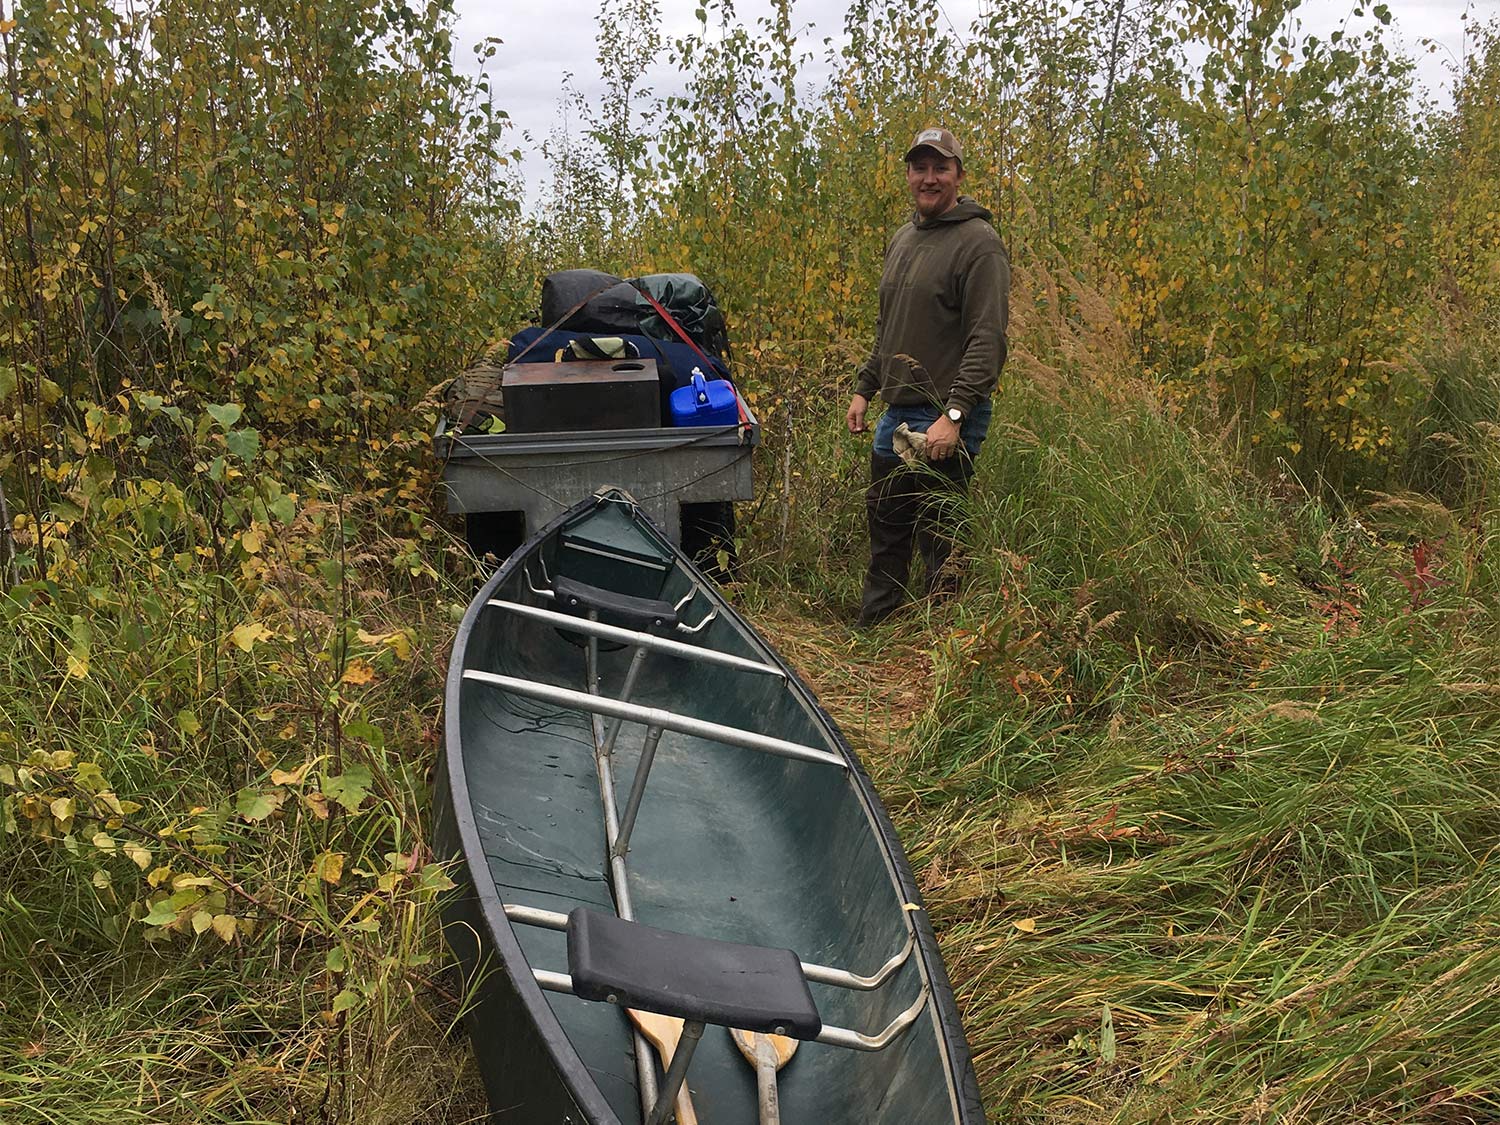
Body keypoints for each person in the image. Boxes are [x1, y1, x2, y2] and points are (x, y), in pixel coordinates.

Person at [846, 126, 1010, 627]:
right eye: (920, 167)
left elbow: (988, 339)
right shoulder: (903, 238)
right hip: (896, 412)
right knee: (888, 527)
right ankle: (877, 631)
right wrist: (864, 387)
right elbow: (890, 325)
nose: (929, 178)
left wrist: (955, 415)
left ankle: (944, 652)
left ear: (959, 174)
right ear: (909, 175)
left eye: (941, 167)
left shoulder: (979, 244)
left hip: (944, 414)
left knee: (942, 541)